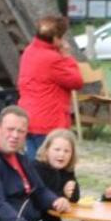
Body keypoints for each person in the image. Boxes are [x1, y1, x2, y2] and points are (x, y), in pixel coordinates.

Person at [17, 15, 85, 161]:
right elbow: (76, 81)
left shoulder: (29, 51)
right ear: (55, 39)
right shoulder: (53, 59)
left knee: (33, 166)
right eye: (61, 37)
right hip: (48, 122)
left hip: (28, 118)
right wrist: (67, 56)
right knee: (47, 168)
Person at [33, 127, 81, 209]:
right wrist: (63, 193)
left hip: (55, 218)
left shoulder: (67, 170)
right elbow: (40, 198)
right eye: (57, 149)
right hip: (35, 218)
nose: (62, 154)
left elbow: (75, 198)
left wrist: (71, 191)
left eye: (67, 151)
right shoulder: (37, 168)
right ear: (46, 150)